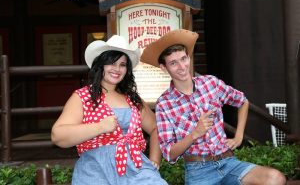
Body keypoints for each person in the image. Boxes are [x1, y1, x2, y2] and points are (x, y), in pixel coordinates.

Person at [140, 29, 286, 185]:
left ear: (189, 58)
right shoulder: (164, 103)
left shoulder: (211, 83)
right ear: (164, 68)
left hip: (229, 162)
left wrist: (238, 136)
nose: (182, 66)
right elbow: (169, 154)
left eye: (183, 59)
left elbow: (242, 101)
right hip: (198, 171)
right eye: (173, 63)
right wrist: (194, 134)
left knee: (276, 178)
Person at [51, 35, 168, 185]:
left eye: (122, 64)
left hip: (136, 168)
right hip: (95, 170)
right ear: (101, 65)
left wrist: (154, 159)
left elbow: (155, 127)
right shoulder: (83, 96)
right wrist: (100, 127)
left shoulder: (132, 99)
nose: (117, 69)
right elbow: (57, 135)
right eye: (111, 63)